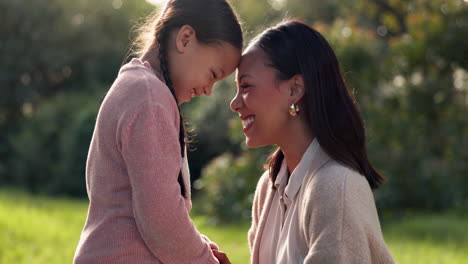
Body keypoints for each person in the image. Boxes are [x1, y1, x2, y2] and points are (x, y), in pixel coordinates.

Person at [73, 0, 242, 263]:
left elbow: (151, 205)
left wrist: (201, 245)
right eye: (212, 74)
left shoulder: (136, 87)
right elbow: (161, 218)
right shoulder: (150, 97)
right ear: (185, 38)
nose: (208, 90)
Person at [230, 20, 395, 264]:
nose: (234, 103)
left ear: (295, 89)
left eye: (246, 86)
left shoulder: (336, 187)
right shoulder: (269, 187)